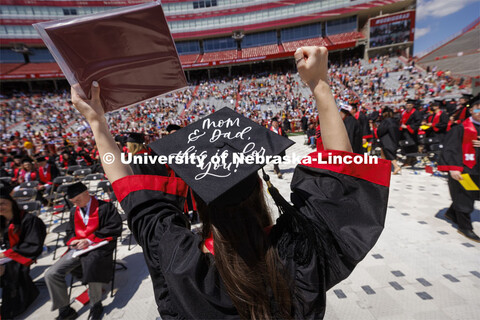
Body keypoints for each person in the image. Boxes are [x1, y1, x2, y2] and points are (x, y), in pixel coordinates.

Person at [70, 46, 391, 319]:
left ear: (199, 202)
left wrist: (97, 122)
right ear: (261, 189)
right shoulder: (299, 253)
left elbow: (132, 193)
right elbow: (340, 179)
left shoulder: (180, 261)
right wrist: (320, 84)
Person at [44, 182, 122, 320]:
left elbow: (114, 227)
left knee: (92, 265)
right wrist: (72, 241)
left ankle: (96, 304)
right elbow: (69, 231)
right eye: (73, 202)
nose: (76, 204)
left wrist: (90, 240)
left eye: (78, 200)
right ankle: (65, 309)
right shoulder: (74, 211)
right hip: (79, 249)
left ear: (87, 193)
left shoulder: (105, 207)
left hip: (100, 246)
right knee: (51, 273)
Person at [0, 187, 47, 319]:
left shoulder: (29, 220)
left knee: (8, 271)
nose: (0, 207)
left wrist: (6, 255)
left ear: (11, 202)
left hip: (23, 255)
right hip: (6, 255)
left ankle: (10, 309)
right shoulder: (1, 220)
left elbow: (33, 244)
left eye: (3, 203)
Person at [438, 99, 480, 242]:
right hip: (464, 169)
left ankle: (451, 212)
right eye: (477, 109)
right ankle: (465, 227)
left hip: (478, 169)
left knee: (473, 194)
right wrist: (454, 168)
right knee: (465, 197)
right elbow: (451, 148)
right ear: (471, 110)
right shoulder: (461, 128)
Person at [377, 107, 401, 174]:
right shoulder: (394, 121)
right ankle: (383, 167)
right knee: (386, 153)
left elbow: (381, 131)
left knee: (388, 153)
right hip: (393, 139)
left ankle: (396, 167)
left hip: (386, 139)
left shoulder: (386, 121)